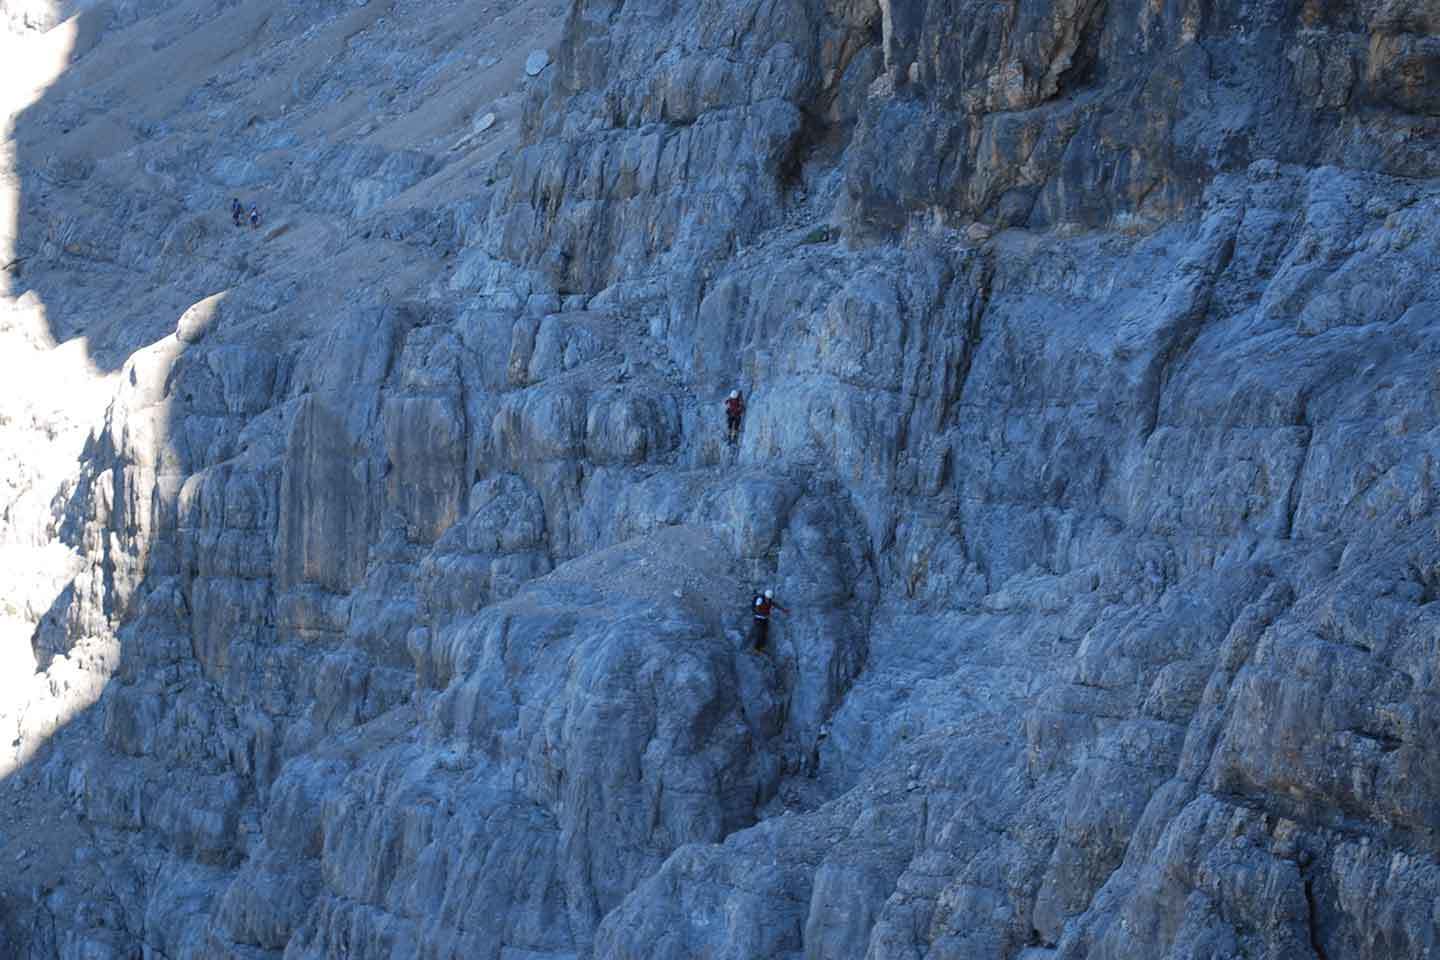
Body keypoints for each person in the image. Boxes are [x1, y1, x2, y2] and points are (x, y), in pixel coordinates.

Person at [749, 588, 788, 653]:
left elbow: (775, 604)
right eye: (767, 598)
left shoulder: (769, 600)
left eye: (769, 598)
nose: (768, 599)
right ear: (765, 596)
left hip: (764, 619)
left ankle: (761, 647)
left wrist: (783, 610)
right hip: (758, 619)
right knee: (760, 633)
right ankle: (756, 648)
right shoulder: (760, 599)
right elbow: (757, 609)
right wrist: (764, 614)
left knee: (764, 633)